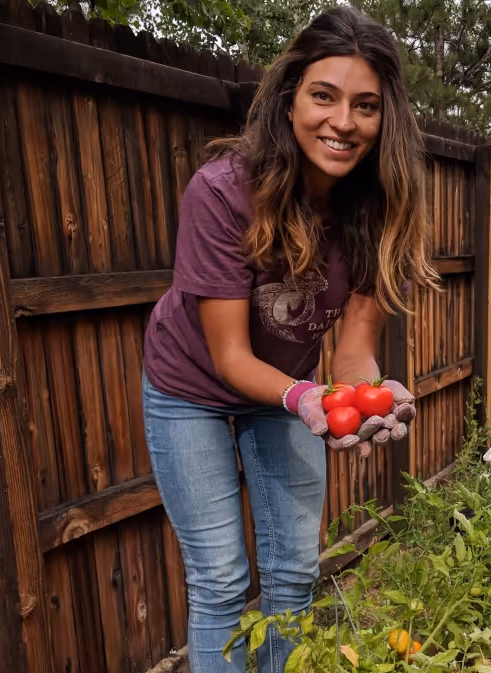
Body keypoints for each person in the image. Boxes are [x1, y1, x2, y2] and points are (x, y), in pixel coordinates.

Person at [141, 5, 439, 672]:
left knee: (294, 572)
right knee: (220, 579)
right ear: (288, 98)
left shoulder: (378, 206)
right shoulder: (223, 192)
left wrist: (365, 393)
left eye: (365, 105)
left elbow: (358, 343)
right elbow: (229, 357)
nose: (342, 122)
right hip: (189, 388)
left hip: (288, 387)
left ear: (384, 118)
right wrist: (310, 399)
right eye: (323, 96)